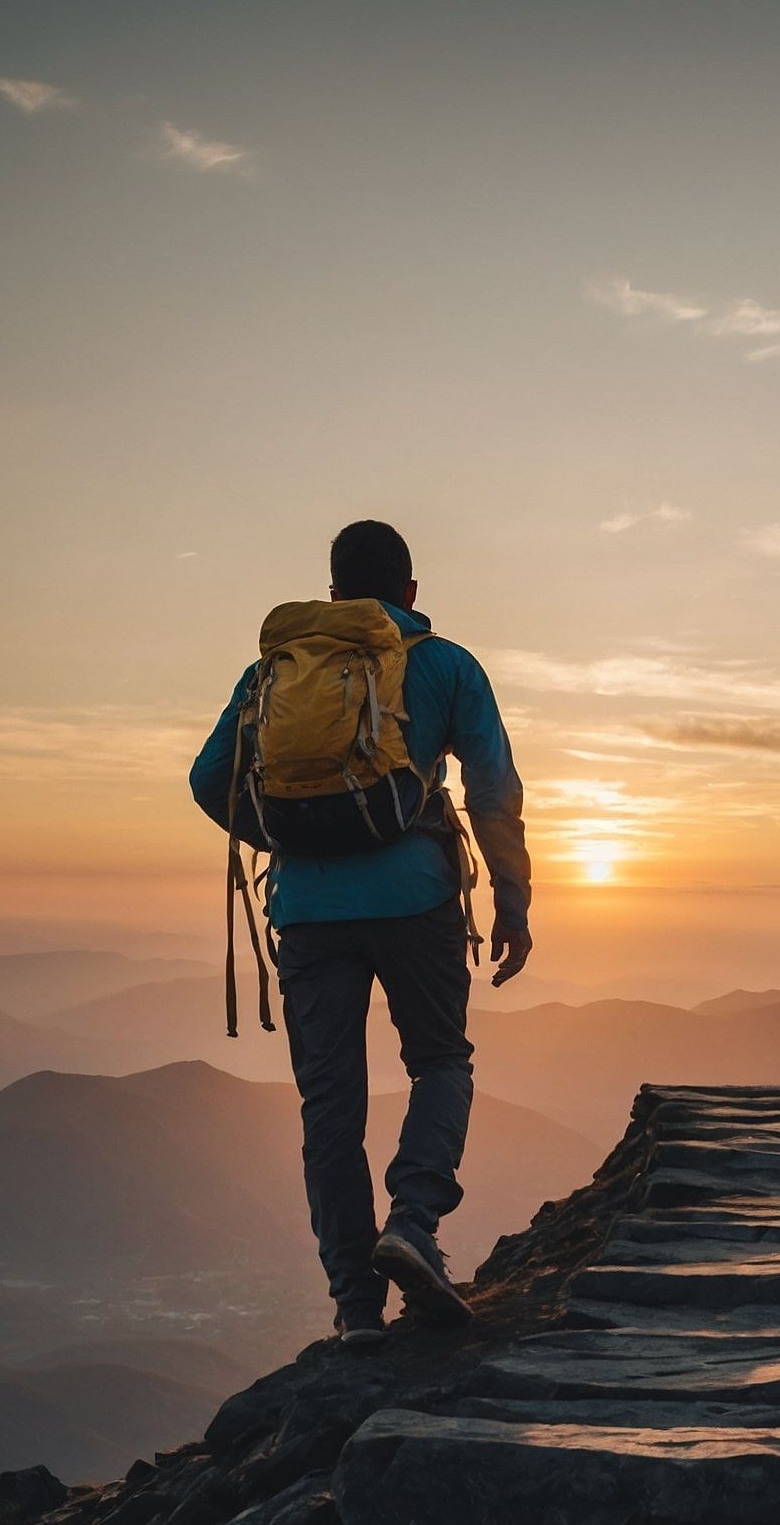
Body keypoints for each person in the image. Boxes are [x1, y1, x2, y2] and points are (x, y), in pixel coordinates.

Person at [189, 520, 531, 1346]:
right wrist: (513, 900)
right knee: (441, 1061)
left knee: (330, 1108)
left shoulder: (272, 672)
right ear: (409, 593)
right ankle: (412, 1221)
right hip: (416, 900)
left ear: (332, 592)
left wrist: (296, 841)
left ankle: (353, 1307)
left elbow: (208, 782)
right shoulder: (446, 664)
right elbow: (492, 789)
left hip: (309, 913)